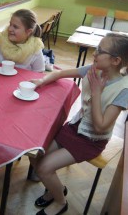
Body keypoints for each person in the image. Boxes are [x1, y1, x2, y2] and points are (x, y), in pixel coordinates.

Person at [29, 33, 128, 215]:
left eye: (100, 51)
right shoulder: (94, 69)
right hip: (74, 128)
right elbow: (61, 73)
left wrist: (97, 91)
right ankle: (54, 189)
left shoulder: (124, 90)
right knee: (35, 156)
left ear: (116, 61)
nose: (94, 53)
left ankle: (60, 202)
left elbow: (100, 126)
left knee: (44, 168)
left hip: (92, 140)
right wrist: (41, 81)